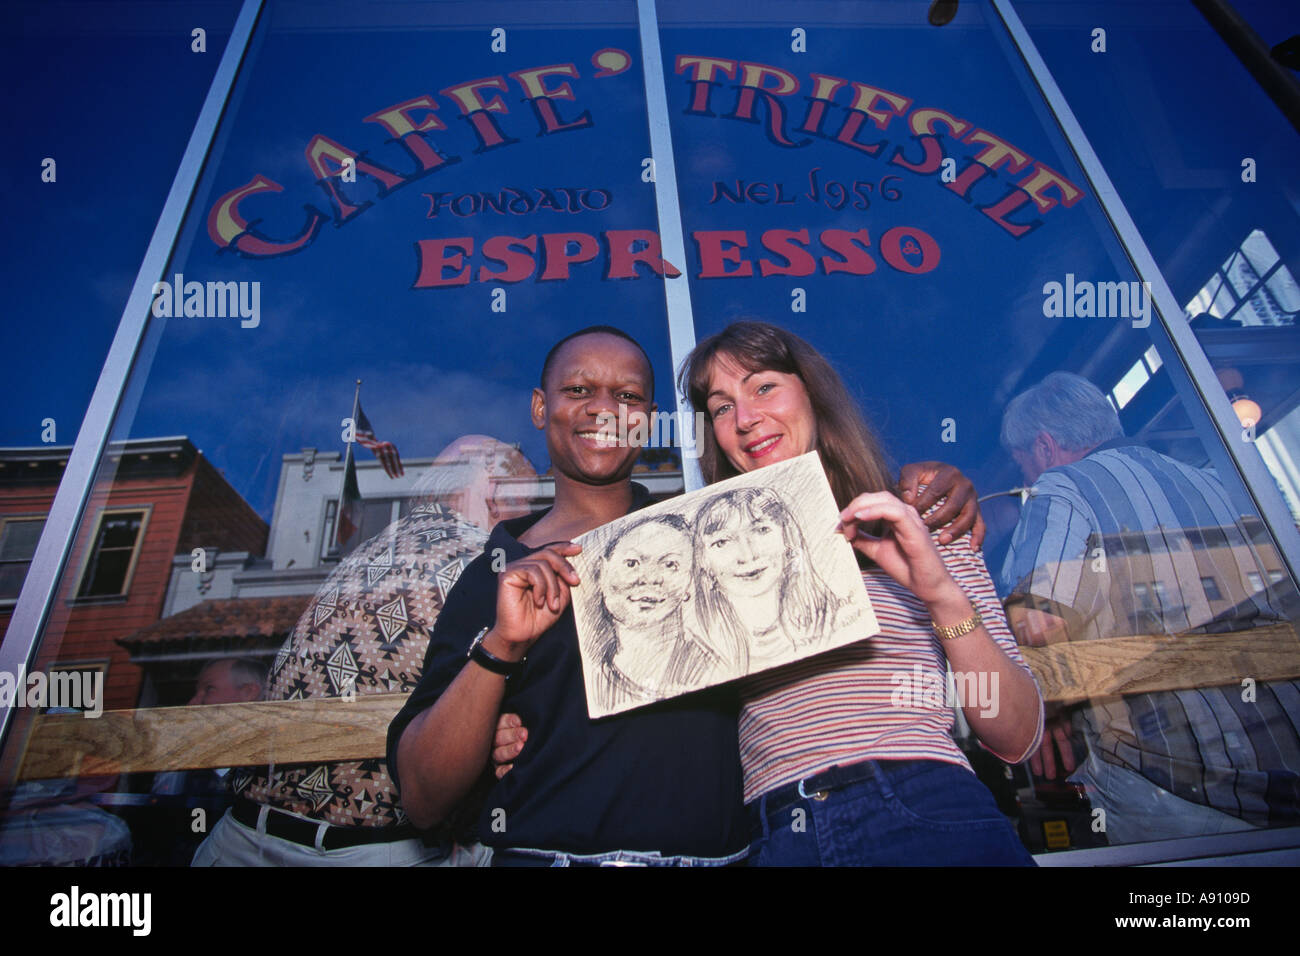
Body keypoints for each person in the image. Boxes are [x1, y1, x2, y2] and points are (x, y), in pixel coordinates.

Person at [392, 324, 987, 865]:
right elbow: (422, 798)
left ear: (649, 420)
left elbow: (826, 507)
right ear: (541, 407)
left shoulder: (711, 534)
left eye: (627, 396)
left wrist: (929, 488)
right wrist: (496, 658)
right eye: (579, 390)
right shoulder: (499, 572)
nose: (604, 409)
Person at [191, 436, 531, 867]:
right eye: (530, 498)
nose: (533, 518)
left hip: (238, 839)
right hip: (366, 851)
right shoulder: (486, 563)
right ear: (496, 494)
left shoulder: (368, 553)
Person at [998, 371, 1300, 843]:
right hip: (1286, 764)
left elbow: (1036, 624)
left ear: (1044, 447)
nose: (1024, 478)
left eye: (1022, 464)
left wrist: (1039, 704)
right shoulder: (1223, 484)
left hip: (1174, 782)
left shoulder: (1062, 487)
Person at [581, 513, 723, 714]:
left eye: (670, 565)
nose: (649, 578)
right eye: (632, 563)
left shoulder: (712, 670)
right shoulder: (590, 673)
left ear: (691, 580)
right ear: (602, 571)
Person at [693, 487, 846, 671]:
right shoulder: (701, 659)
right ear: (703, 562)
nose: (747, 555)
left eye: (761, 530)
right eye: (722, 542)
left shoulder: (839, 618)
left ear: (788, 540)